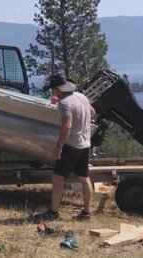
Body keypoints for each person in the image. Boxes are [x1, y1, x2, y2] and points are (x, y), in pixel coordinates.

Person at [34, 74, 96, 221]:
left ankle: (53, 212)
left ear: (57, 90)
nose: (52, 92)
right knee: (84, 178)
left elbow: (67, 125)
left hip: (71, 145)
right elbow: (92, 112)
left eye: (52, 90)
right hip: (85, 143)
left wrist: (58, 147)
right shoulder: (81, 97)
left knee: (58, 177)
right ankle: (86, 213)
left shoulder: (64, 103)